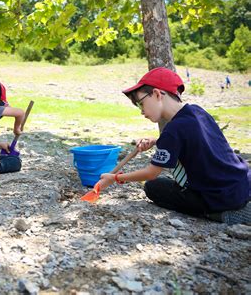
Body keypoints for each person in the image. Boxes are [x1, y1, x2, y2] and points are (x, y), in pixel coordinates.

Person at [98, 67, 250, 224]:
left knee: (153, 187)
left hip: (219, 197)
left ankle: (219, 214)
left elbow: (151, 173)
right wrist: (158, 140)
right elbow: (192, 138)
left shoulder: (173, 130)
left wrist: (115, 177)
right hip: (241, 184)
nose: (141, 112)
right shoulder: (197, 112)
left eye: (140, 104)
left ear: (157, 94)